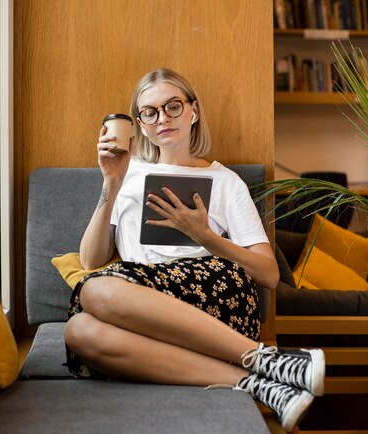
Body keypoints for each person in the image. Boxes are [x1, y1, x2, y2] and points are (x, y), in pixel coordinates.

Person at [63, 68, 325, 431]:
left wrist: (206, 237)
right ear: (140, 124)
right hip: (146, 303)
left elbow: (269, 274)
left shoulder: (225, 181)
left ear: (193, 111)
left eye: (172, 106)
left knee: (96, 288)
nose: (162, 119)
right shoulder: (127, 173)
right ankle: (265, 382)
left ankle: (260, 356)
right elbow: (91, 259)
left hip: (215, 293)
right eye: (149, 112)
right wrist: (111, 183)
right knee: (78, 331)